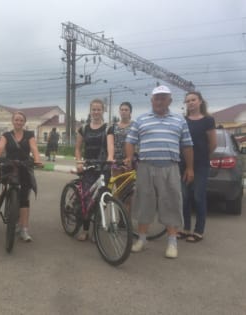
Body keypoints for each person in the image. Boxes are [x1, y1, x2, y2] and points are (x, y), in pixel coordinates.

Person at [125, 85, 194, 259]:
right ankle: (141, 240)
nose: (159, 101)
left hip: (170, 168)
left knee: (171, 203)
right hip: (145, 167)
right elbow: (130, 140)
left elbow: (187, 145)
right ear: (151, 100)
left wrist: (190, 168)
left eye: (163, 98)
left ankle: (172, 242)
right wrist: (129, 157)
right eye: (157, 98)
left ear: (169, 101)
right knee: (144, 203)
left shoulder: (180, 120)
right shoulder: (141, 120)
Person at [0, 111, 42, 242]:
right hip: (9, 165)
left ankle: (24, 228)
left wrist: (37, 160)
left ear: (24, 122)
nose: (19, 122)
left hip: (24, 166)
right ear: (12, 121)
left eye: (21, 120)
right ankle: (4, 199)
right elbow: (0, 147)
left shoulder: (29, 135)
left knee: (24, 197)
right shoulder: (6, 135)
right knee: (5, 184)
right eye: (16, 120)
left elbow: (34, 148)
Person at [178, 91, 216, 243]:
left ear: (200, 101)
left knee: (198, 197)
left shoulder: (208, 120)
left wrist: (201, 157)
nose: (191, 103)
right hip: (183, 164)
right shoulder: (183, 121)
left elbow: (213, 144)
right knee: (185, 197)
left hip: (200, 165)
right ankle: (186, 228)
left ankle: (199, 230)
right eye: (188, 101)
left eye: (193, 100)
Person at [75, 98, 114, 241]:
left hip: (103, 167)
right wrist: (79, 162)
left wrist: (110, 157)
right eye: (94, 109)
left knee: (102, 200)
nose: (96, 112)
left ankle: (96, 228)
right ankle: (85, 229)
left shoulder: (108, 128)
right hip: (88, 167)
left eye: (99, 109)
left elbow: (110, 145)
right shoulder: (83, 129)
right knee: (86, 199)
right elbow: (78, 148)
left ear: (103, 110)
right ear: (90, 111)